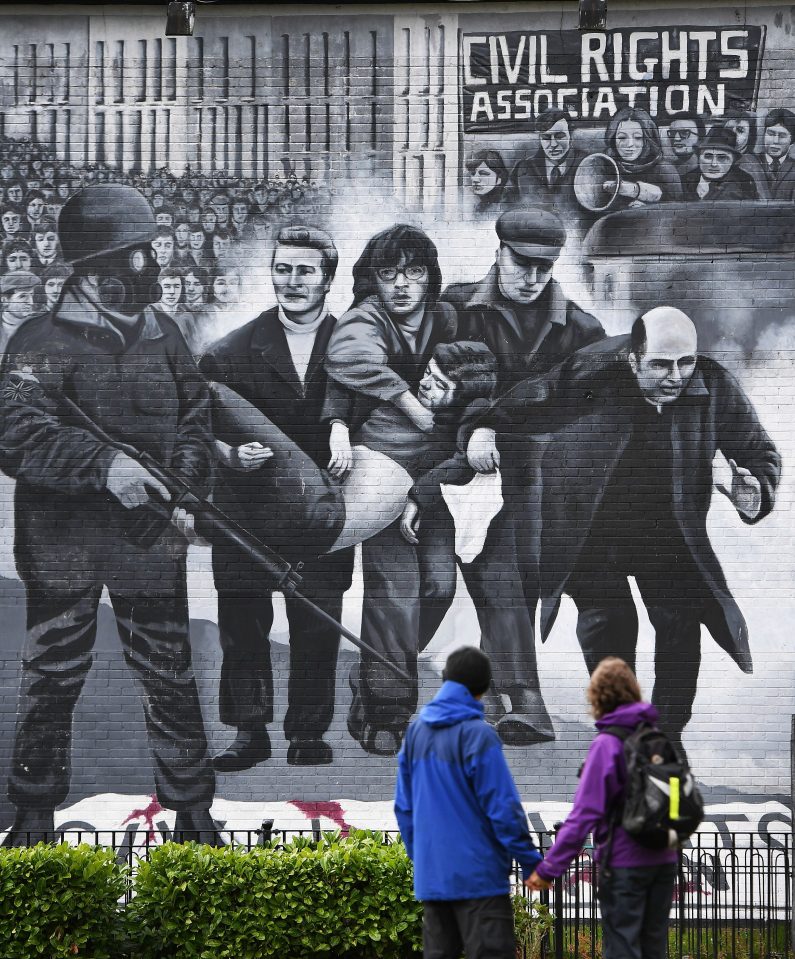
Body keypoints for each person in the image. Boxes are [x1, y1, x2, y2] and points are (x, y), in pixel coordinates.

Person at [0, 185, 220, 846]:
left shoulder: (164, 334)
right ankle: (34, 812)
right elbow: (16, 432)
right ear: (98, 270)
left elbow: (196, 416)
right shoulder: (39, 342)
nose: (154, 265)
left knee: (170, 675)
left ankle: (191, 809)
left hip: (147, 543)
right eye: (139, 256)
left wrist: (183, 488)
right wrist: (105, 466)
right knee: (50, 676)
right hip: (63, 547)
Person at [469, 306, 780, 754]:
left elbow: (758, 450)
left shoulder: (711, 384)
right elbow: (536, 395)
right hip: (592, 527)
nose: (676, 376)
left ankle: (666, 738)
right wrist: (484, 425)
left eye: (685, 363)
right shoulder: (593, 369)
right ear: (633, 360)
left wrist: (755, 490)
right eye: (660, 365)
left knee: (680, 624)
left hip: (667, 531)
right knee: (609, 627)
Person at [424, 210, 605, 746]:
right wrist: (468, 432)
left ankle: (499, 697)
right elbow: (424, 392)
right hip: (450, 471)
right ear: (498, 252)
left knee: (512, 574)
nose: (532, 277)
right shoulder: (454, 309)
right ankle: (516, 696)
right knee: (462, 581)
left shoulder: (581, 329)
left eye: (544, 267)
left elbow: (588, 414)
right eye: (522, 263)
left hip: (531, 481)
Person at [200, 226, 355, 769]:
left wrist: (343, 429)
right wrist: (227, 455)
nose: (292, 282)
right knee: (243, 624)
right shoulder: (229, 351)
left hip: (322, 513)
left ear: (328, 278)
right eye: (283, 269)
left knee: (317, 623)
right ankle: (249, 731)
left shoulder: (356, 345)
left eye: (305, 271)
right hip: (245, 511)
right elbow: (194, 426)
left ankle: (307, 731)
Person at [324, 223, 457, 755]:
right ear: (372, 279)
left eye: (414, 271)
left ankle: (378, 669)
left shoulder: (448, 319)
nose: (402, 284)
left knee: (439, 588)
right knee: (393, 593)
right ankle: (387, 710)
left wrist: (423, 492)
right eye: (389, 273)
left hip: (439, 476)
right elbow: (347, 363)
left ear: (431, 277)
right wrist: (407, 406)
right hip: (381, 466)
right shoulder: (365, 319)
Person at [395, 646, 542, 959]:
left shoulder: (416, 734)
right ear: (483, 689)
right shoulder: (479, 736)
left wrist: (423, 858)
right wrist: (530, 861)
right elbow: (502, 808)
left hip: (434, 878)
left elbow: (404, 809)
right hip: (480, 879)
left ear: (446, 680)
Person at [526, 658, 679, 959]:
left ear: (597, 697)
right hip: (663, 862)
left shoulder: (606, 745)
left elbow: (584, 815)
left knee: (622, 949)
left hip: (625, 865)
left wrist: (548, 869)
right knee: (653, 950)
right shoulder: (659, 740)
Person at [602, 106, 682, 207]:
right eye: (622, 137)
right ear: (613, 139)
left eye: (638, 137)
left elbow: (677, 211)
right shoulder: (606, 167)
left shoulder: (664, 170)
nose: (630, 144)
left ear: (647, 140)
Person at [509, 108, 584, 208]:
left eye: (559, 136)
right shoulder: (523, 169)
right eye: (546, 138)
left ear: (571, 136)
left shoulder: (586, 163)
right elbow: (507, 204)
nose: (553, 144)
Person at [682, 127, 759, 201]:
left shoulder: (744, 184)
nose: (714, 164)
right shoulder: (686, 180)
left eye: (722, 158)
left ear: (733, 160)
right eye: (708, 156)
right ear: (699, 157)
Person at [722, 108, 770, 199]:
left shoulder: (751, 166)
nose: (733, 134)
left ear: (749, 137)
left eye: (740, 130)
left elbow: (763, 201)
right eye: (728, 129)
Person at [0, 270, 41, 356]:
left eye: (31, 295)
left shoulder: (40, 325)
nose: (30, 302)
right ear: (5, 300)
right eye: (23, 296)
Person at [761, 108, 795, 200]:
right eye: (771, 134)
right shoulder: (747, 163)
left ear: (791, 141)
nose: (775, 141)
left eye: (782, 136)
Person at [465, 149, 509, 215]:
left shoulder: (508, 205)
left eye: (483, 173)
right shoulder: (480, 207)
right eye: (473, 173)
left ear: (499, 179)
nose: (475, 179)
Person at [666, 113, 705, 178]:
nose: (676, 138)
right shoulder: (668, 169)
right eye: (672, 133)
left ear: (699, 139)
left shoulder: (703, 172)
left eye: (684, 133)